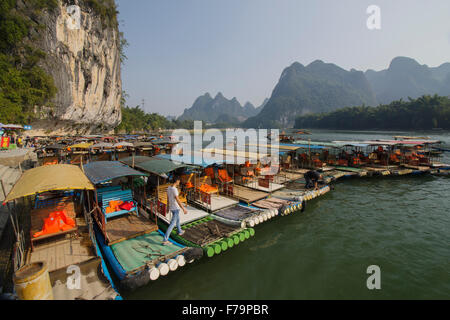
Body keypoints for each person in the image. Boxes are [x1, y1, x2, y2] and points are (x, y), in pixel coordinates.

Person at [162, 178, 188, 245]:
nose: (179, 182)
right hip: (175, 208)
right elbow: (178, 200)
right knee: (172, 224)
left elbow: (168, 198)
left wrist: (168, 207)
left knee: (178, 219)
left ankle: (180, 231)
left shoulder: (168, 188)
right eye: (179, 180)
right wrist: (183, 208)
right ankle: (165, 240)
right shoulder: (174, 189)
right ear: (176, 181)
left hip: (172, 207)